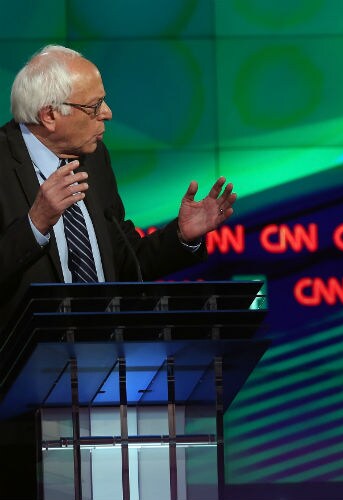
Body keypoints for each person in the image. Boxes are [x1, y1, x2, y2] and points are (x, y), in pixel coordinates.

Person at [0, 44, 236, 498]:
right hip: (17, 411)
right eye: (94, 106)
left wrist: (182, 237)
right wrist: (35, 224)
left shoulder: (94, 159)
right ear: (49, 115)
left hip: (106, 392)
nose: (107, 114)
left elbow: (125, 265)